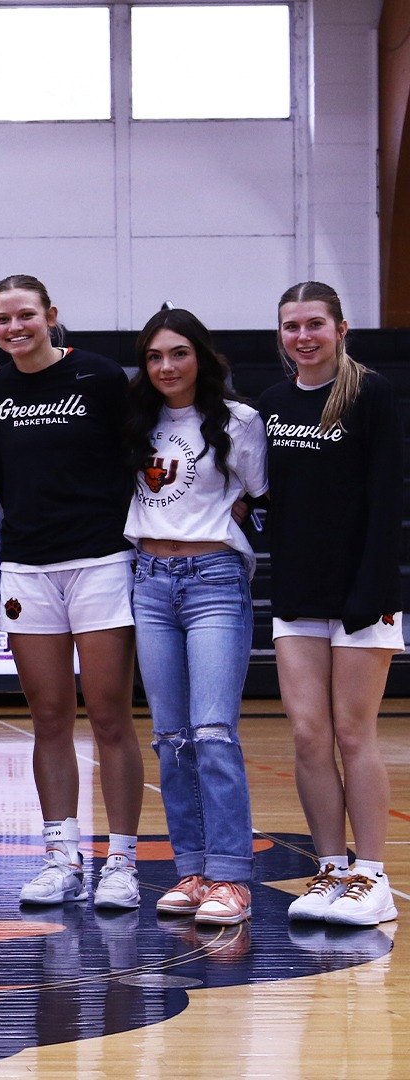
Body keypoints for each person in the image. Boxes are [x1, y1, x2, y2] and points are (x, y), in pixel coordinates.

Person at [0, 275, 143, 910]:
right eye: (3, 319)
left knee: (108, 715)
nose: (15, 328)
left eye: (26, 315)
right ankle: (61, 856)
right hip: (26, 566)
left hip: (100, 560)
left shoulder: (98, 377)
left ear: (51, 314)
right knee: (48, 716)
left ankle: (121, 861)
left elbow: (137, 455)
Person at [260, 282, 402, 927]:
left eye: (314, 324)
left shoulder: (371, 396)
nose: (303, 337)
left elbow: (385, 501)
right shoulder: (273, 402)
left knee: (353, 733)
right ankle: (328, 868)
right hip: (298, 593)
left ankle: (370, 876)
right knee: (309, 735)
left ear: (341, 329)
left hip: (362, 594)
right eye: (291, 327)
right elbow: (270, 496)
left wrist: (373, 594)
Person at [123, 307, 266, 927]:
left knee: (213, 733)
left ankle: (232, 877)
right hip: (150, 581)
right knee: (170, 738)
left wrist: (218, 527)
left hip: (213, 580)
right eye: (155, 356)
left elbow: (256, 495)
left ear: (201, 357)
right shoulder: (133, 420)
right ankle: (193, 870)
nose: (166, 367)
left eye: (178, 353)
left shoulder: (239, 420)